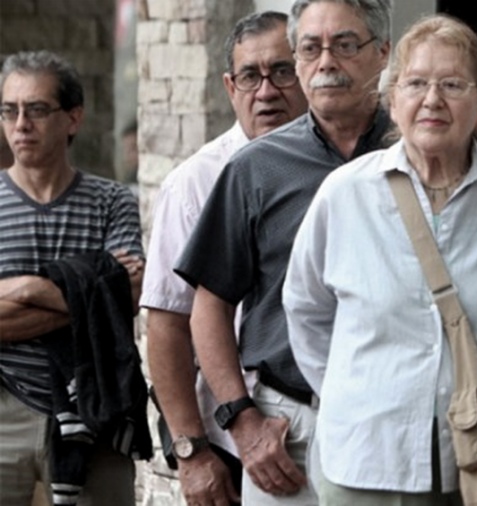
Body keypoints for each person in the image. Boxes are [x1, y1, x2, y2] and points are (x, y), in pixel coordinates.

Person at [282, 14, 477, 504]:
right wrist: (358, 394)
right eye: (415, 84)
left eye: (452, 84)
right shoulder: (344, 194)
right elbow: (306, 312)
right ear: (392, 102)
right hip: (367, 457)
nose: (432, 100)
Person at [174, 0, 392, 504]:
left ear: (382, 52)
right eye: (310, 48)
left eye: (345, 45)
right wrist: (241, 420)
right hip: (289, 429)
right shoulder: (256, 167)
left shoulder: (413, 155)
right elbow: (209, 306)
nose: (326, 62)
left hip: (394, 422)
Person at [142, 10, 308, 506]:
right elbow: (167, 324)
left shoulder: (343, 167)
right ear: (229, 87)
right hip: (230, 439)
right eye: (250, 76)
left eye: (283, 72)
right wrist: (191, 454)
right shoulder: (195, 182)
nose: (267, 92)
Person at [0, 50, 147, 505]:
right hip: (4, 405)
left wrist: (25, 289)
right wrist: (92, 295)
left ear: (73, 118)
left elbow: (129, 294)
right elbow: (108, 296)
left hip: (96, 402)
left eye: (36, 109)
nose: (20, 124)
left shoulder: (112, 201)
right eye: (9, 110)